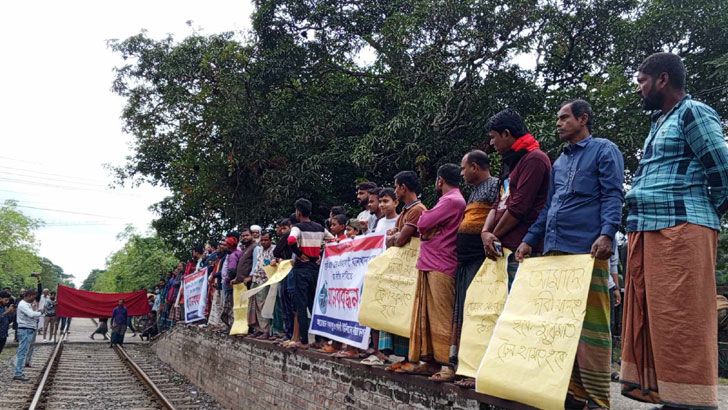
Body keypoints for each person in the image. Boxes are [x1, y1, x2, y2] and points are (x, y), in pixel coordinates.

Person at [620, 52, 728, 410]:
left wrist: (699, 212)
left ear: (662, 80)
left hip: (682, 228)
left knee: (682, 317)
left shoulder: (693, 111)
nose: (638, 89)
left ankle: (691, 403)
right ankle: (669, 397)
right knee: (657, 318)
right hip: (647, 227)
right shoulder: (659, 121)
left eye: (641, 81)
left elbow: (723, 172)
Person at [516, 99, 624, 409]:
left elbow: (613, 194)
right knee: (560, 326)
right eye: (558, 118)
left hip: (587, 253)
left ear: (583, 119)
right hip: (554, 252)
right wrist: (529, 239)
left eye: (565, 118)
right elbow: (550, 207)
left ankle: (598, 399)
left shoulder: (604, 150)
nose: (558, 123)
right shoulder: (559, 162)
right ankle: (573, 393)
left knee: (591, 326)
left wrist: (606, 234)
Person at [396, 164, 465, 382]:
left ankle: (448, 363)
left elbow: (424, 221)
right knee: (426, 314)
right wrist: (427, 230)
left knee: (442, 315)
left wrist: (428, 230)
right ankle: (431, 361)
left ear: (440, 180)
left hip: (442, 263)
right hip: (430, 262)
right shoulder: (449, 200)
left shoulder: (452, 200)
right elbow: (425, 226)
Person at [480, 108, 551, 286]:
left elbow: (519, 207)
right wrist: (485, 233)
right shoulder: (511, 162)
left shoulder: (534, 159)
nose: (491, 142)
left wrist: (492, 236)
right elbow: (499, 201)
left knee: (518, 309)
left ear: (506, 133)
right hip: (503, 248)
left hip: (523, 250)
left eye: (493, 136)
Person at [450, 150, 500, 387]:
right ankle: (463, 365)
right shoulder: (472, 193)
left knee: (479, 314)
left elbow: (497, 218)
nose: (461, 173)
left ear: (475, 167)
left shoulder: (495, 186)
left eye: (463, 168)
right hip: (466, 260)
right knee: (464, 313)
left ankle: (479, 371)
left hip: (482, 260)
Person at [286, 198, 333, 349]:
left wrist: (299, 254)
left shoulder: (297, 227)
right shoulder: (319, 228)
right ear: (310, 212)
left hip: (302, 266)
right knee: (315, 304)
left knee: (301, 304)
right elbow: (333, 240)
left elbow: (291, 240)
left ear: (298, 212)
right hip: (315, 267)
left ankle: (304, 340)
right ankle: (319, 339)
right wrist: (320, 252)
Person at [246, 231, 276, 338]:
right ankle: (258, 329)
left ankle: (266, 330)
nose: (263, 242)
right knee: (254, 305)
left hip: (266, 280)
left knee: (263, 305)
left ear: (270, 240)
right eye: (262, 240)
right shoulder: (259, 249)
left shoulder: (274, 249)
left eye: (266, 240)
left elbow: (275, 264)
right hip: (256, 279)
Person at [273, 218, 295, 342]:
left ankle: (289, 333)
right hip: (296, 270)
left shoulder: (288, 235)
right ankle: (292, 333)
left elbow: (276, 252)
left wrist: (281, 258)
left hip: (287, 271)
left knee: (286, 303)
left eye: (283, 228)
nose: (281, 231)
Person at [14, 288, 42, 381]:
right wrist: (40, 312)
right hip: (25, 330)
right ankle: (18, 373)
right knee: (22, 351)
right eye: (33, 297)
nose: (34, 299)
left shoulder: (27, 304)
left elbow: (31, 315)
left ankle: (19, 371)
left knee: (23, 351)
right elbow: (30, 314)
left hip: (28, 329)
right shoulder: (23, 304)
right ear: (29, 296)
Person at [0, 291, 15, 355]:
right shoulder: (5, 309)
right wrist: (7, 311)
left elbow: (8, 320)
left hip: (3, 334)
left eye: (8, 300)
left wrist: (13, 313)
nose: (7, 302)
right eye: (5, 300)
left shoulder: (5, 307)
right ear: (0, 298)